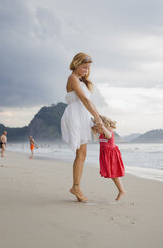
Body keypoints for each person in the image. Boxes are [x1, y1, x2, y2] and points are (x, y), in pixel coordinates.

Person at [61, 52, 103, 203]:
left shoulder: (81, 80)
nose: (86, 70)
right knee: (81, 154)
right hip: (75, 117)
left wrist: (97, 119)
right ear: (76, 64)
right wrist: (98, 119)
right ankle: (76, 187)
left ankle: (76, 187)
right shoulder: (72, 78)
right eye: (84, 67)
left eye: (88, 68)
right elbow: (84, 100)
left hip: (82, 116)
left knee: (82, 154)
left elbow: (88, 103)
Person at [92, 116, 126, 201]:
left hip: (112, 155)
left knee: (114, 174)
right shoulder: (101, 134)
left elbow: (109, 135)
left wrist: (102, 126)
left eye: (97, 127)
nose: (96, 130)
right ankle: (121, 190)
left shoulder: (108, 132)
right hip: (106, 156)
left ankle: (121, 191)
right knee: (113, 175)